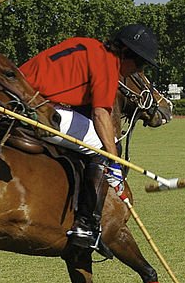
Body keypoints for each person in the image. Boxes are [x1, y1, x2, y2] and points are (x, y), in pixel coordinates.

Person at [20, 24, 158, 251]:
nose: (136, 70)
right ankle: (85, 224)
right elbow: (100, 114)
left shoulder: (89, 45)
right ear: (124, 52)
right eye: (139, 63)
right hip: (35, 107)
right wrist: (115, 160)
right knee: (103, 143)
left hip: (15, 94)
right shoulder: (108, 65)